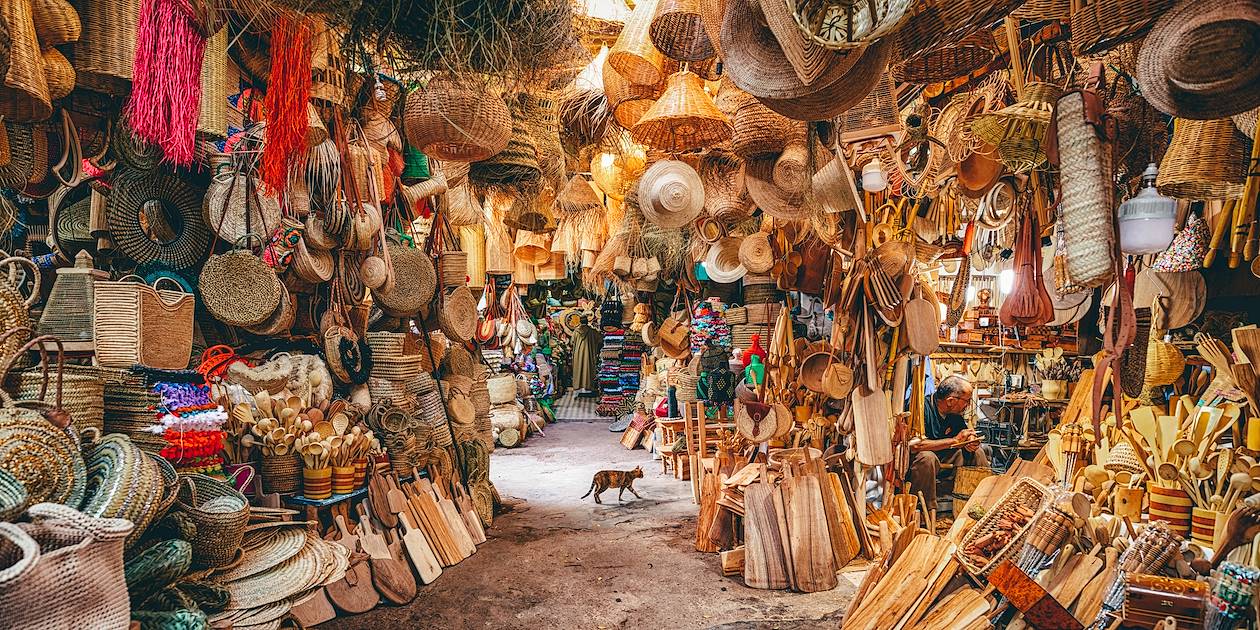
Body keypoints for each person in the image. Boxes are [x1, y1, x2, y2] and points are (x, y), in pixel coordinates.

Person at [908, 375, 991, 513]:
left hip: (945, 457)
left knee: (978, 452)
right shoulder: (921, 408)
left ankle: (985, 501)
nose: (968, 405)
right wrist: (955, 441)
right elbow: (915, 445)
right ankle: (925, 511)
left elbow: (962, 435)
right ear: (950, 401)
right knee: (927, 458)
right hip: (920, 460)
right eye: (967, 401)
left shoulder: (954, 413)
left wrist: (969, 442)